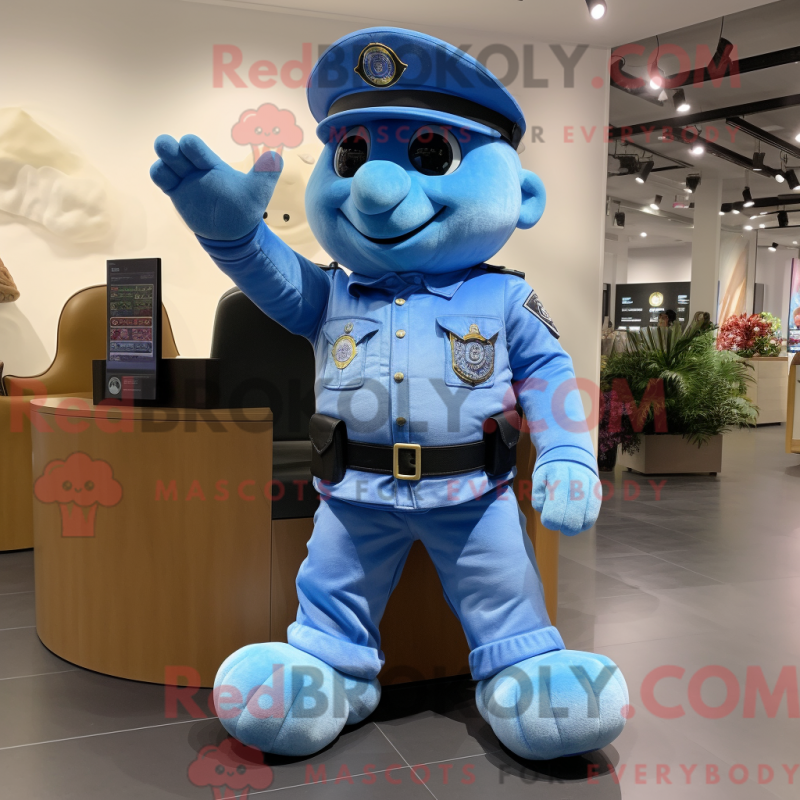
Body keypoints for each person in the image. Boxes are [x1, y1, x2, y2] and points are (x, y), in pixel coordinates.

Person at [150, 27, 628, 761]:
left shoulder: (504, 297)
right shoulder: (329, 293)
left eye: (432, 155)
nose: (373, 186)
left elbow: (550, 376)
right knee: (329, 595)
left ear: (523, 196)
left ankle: (524, 668)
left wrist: (568, 453)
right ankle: (328, 670)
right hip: (354, 498)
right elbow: (271, 275)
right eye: (351, 155)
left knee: (508, 600)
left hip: (473, 496)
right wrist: (234, 238)